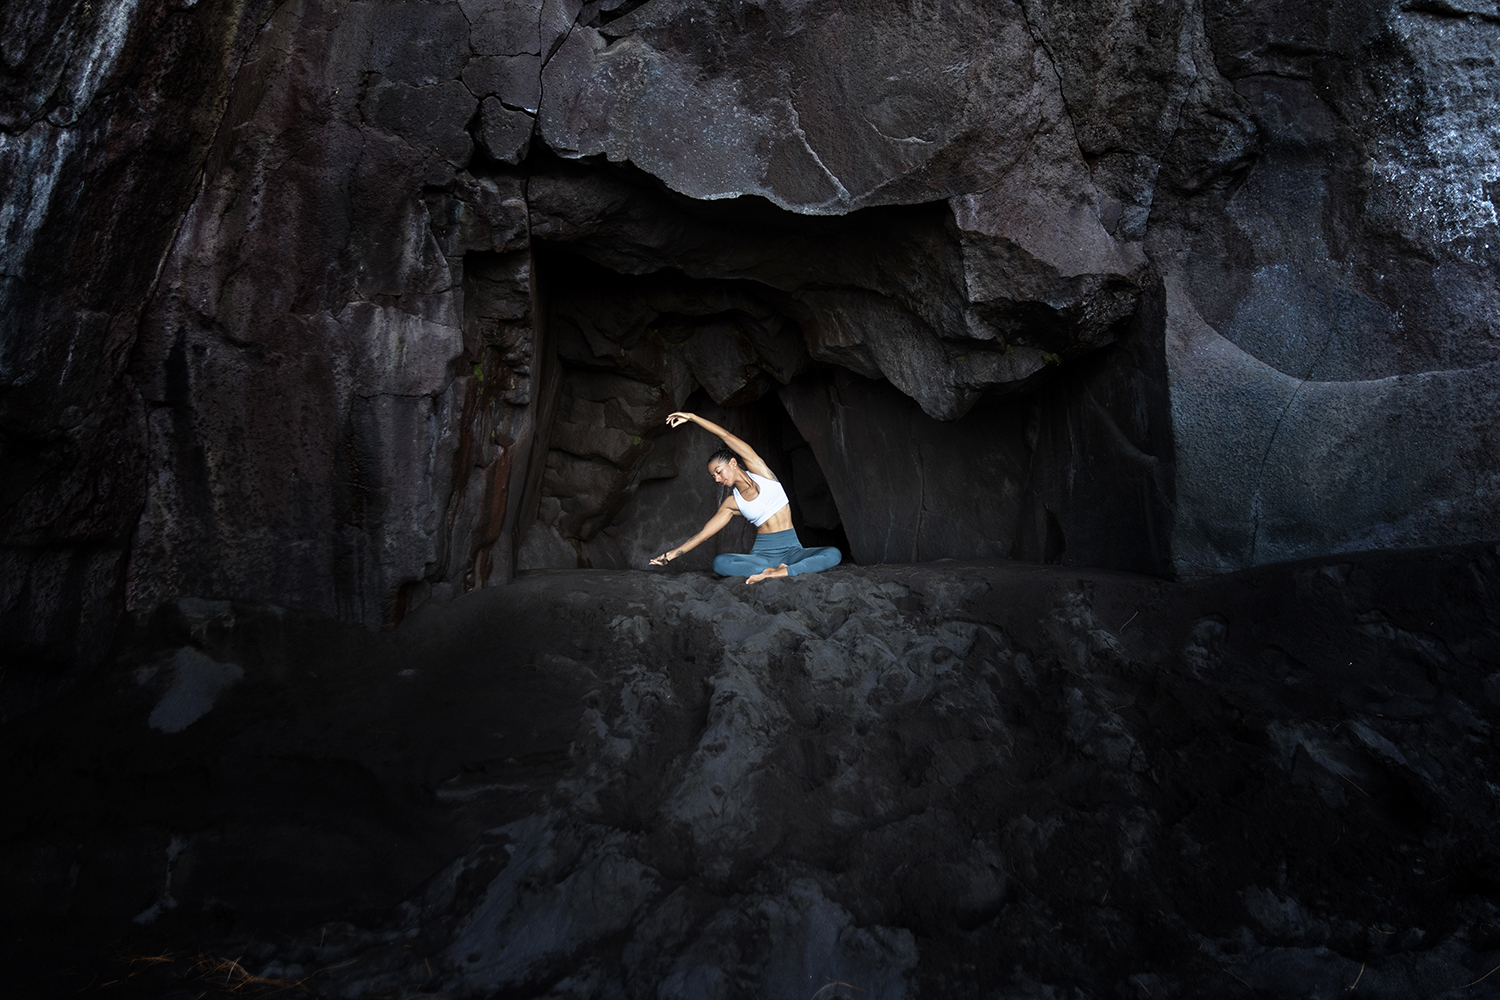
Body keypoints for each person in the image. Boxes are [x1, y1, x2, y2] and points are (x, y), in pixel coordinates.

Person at [649, 411, 842, 584]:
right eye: (713, 476)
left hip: (793, 551)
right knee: (721, 562)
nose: (717, 479)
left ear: (733, 463)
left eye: (718, 471)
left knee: (833, 554)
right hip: (762, 556)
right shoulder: (732, 504)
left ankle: (782, 572)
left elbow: (725, 436)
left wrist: (692, 417)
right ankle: (770, 571)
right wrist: (671, 555)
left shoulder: (761, 472)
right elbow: (703, 535)